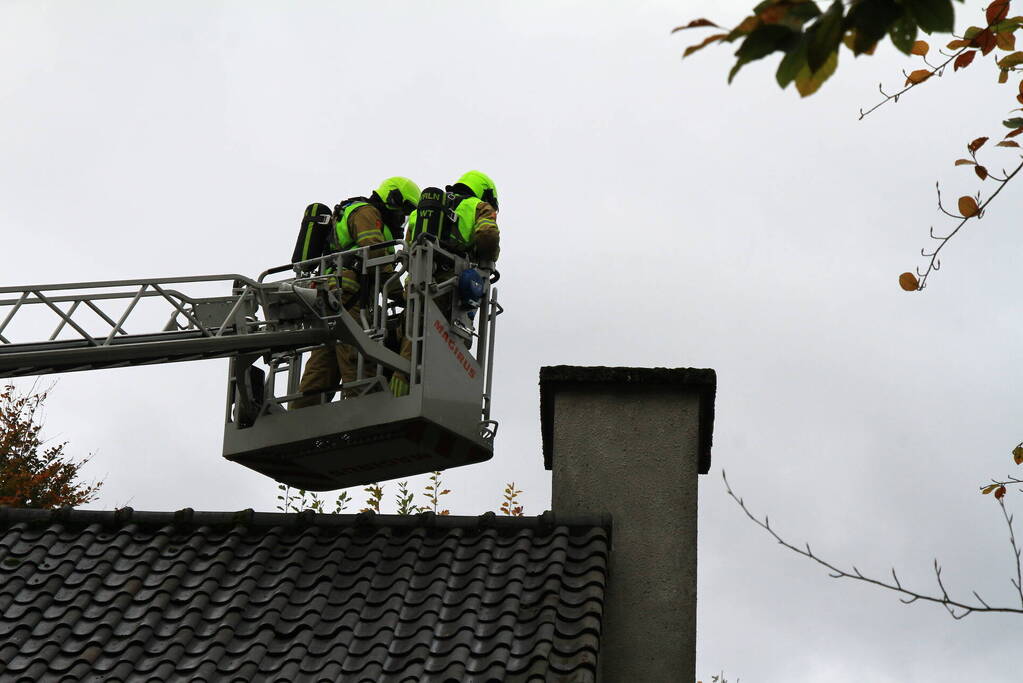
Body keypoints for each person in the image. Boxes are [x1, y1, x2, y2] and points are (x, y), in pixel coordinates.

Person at [291, 177, 420, 409]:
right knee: (357, 358)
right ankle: (367, 412)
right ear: (392, 198)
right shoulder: (366, 213)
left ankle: (301, 415)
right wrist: (400, 294)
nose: (403, 217)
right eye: (404, 209)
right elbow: (375, 253)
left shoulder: (361, 212)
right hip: (348, 299)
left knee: (322, 367)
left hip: (331, 298)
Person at [390, 170, 500, 396]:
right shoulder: (479, 206)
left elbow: (409, 245)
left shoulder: (420, 211)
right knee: (447, 342)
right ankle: (435, 393)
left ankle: (399, 388)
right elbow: (487, 236)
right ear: (485, 192)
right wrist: (486, 260)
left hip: (415, 283)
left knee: (412, 334)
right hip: (449, 285)